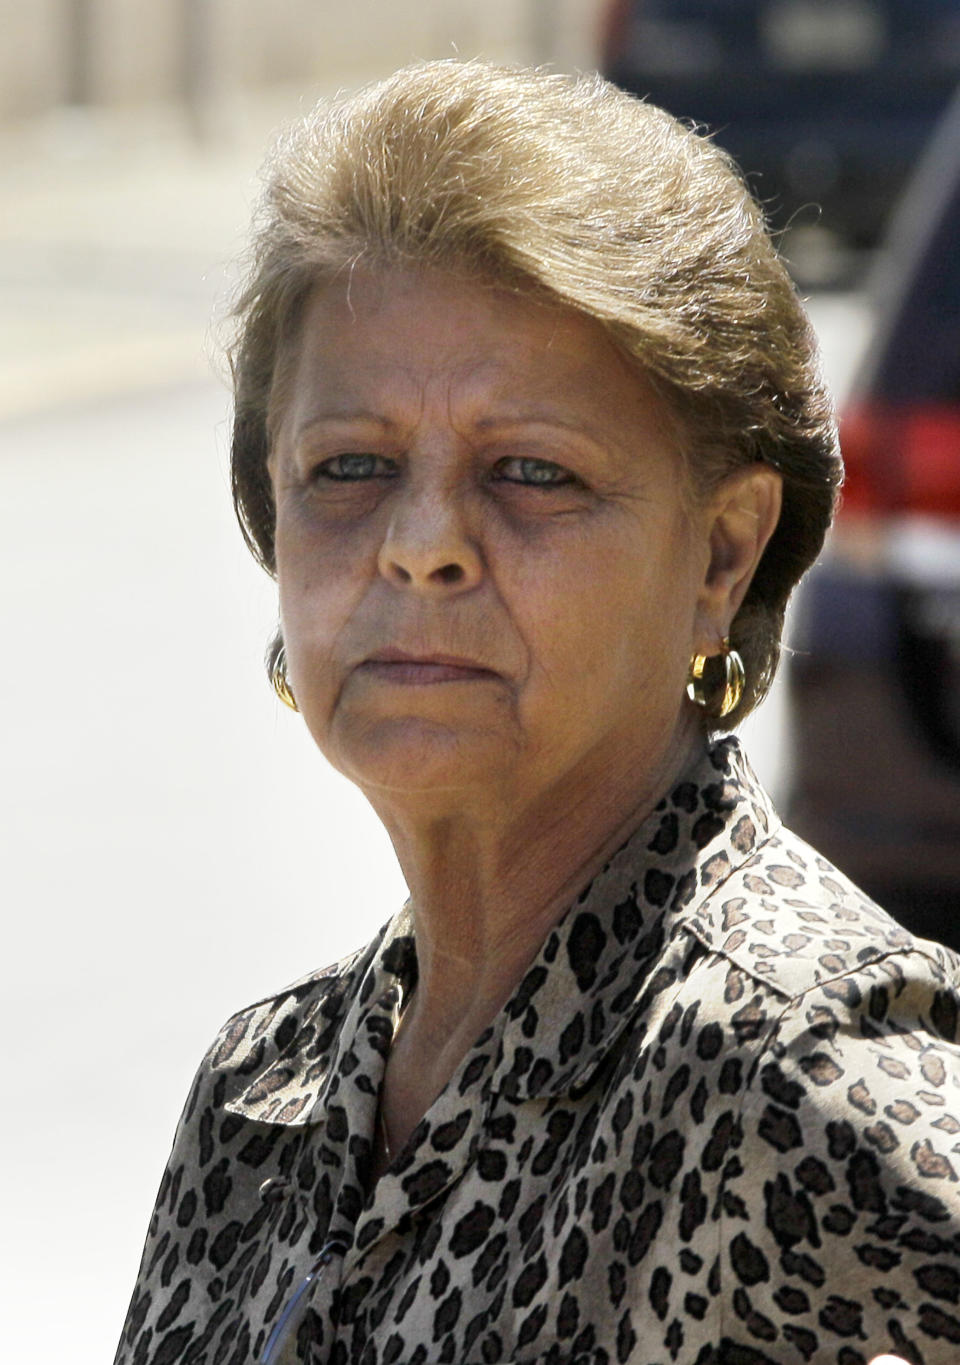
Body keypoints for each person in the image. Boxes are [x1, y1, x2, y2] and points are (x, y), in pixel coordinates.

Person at [114, 60, 960, 1365]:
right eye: (350, 465)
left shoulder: (798, 1078)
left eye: (531, 472)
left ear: (722, 555)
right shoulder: (263, 1096)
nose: (423, 544)